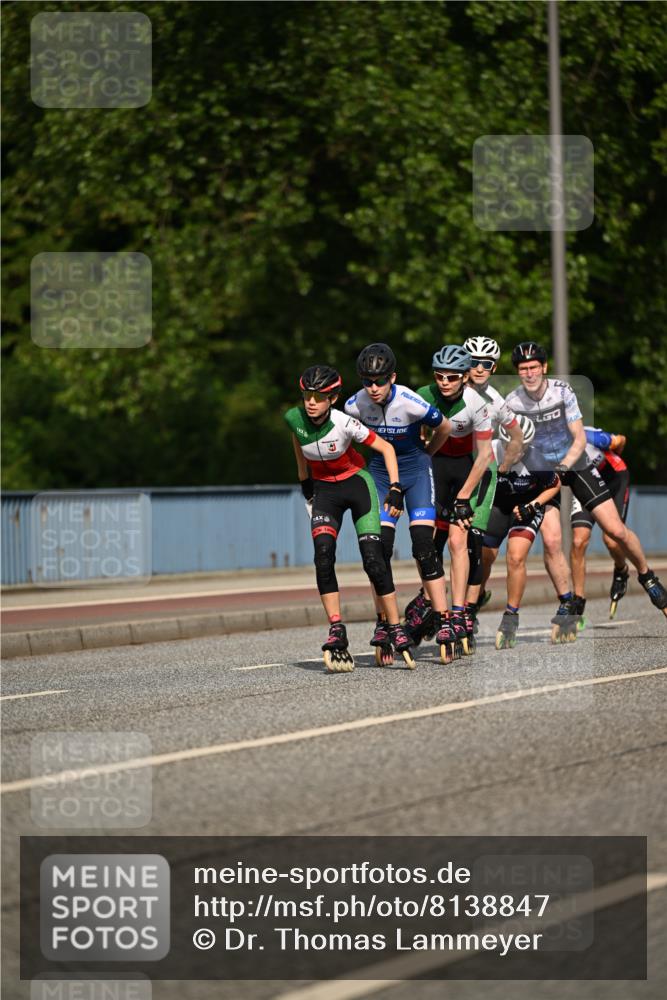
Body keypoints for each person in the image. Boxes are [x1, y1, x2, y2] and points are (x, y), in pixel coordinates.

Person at [505, 342, 667, 638]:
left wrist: (564, 466)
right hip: (542, 472)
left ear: (544, 368)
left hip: (574, 463)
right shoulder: (512, 402)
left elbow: (579, 438)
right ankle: (569, 605)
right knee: (554, 541)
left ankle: (647, 576)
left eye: (533, 367)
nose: (528, 374)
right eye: (522, 369)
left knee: (615, 531)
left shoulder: (562, 392)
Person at [284, 364, 416, 672]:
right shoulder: (293, 418)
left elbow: (385, 448)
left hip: (357, 485)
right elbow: (297, 440)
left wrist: (395, 488)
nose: (311, 402)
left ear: (333, 398)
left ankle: (394, 626)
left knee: (373, 558)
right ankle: (336, 628)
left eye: (319, 396)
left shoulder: (345, 423)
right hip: (325, 493)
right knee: (323, 556)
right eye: (307, 395)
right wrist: (303, 479)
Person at [344, 343, 460, 662]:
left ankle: (444, 618)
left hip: (416, 471)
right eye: (367, 381)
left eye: (380, 381)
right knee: (377, 550)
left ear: (392, 378)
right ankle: (384, 623)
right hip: (381, 476)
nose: (374, 387)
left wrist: (428, 454)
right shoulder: (354, 405)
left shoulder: (410, 401)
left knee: (424, 546)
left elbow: (446, 427)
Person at [414, 345, 495, 654]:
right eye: (439, 376)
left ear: (464, 377)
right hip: (434, 466)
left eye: (451, 377)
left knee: (457, 543)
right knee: (426, 542)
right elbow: (415, 436)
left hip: (464, 469)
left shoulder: (477, 403)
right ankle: (433, 605)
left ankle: (459, 613)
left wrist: (463, 497)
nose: (444, 382)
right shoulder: (423, 394)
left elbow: (485, 454)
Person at [482, 415, 562, 648]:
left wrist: (534, 505)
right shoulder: (491, 450)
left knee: (515, 557)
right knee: (485, 555)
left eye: (521, 448)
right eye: (510, 446)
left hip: (525, 508)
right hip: (498, 505)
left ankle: (511, 617)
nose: (515, 451)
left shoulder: (536, 460)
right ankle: (477, 596)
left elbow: (555, 485)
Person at [463, 334, 525, 613]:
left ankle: (469, 606)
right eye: (473, 362)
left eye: (485, 364)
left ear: (494, 369)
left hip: (480, 473)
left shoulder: (496, 401)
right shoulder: (449, 386)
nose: (478, 368)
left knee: (480, 548)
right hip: (450, 469)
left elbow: (517, 436)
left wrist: (503, 467)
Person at [570, 427, 631, 624]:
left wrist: (614, 446)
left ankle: (621, 570)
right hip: (585, 484)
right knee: (579, 541)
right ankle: (578, 602)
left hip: (614, 480)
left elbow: (622, 440)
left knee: (612, 541)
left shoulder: (591, 436)